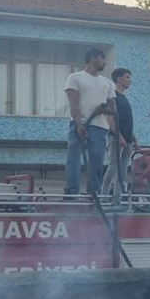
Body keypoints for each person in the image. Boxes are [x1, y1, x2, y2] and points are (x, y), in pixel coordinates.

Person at [64, 48, 116, 197]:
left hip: (100, 127)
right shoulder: (75, 77)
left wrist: (105, 109)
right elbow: (73, 103)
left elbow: (113, 109)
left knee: (97, 161)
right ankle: (72, 189)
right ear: (93, 58)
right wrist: (79, 124)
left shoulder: (107, 83)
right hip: (79, 123)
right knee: (74, 155)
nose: (104, 62)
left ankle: (93, 192)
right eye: (102, 58)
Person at [102, 67, 136, 198]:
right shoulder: (113, 97)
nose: (129, 80)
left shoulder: (124, 98)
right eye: (127, 77)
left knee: (122, 171)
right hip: (116, 138)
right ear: (118, 79)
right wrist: (119, 137)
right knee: (113, 168)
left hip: (127, 140)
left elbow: (126, 121)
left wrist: (133, 138)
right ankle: (103, 197)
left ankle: (117, 199)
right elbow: (109, 118)